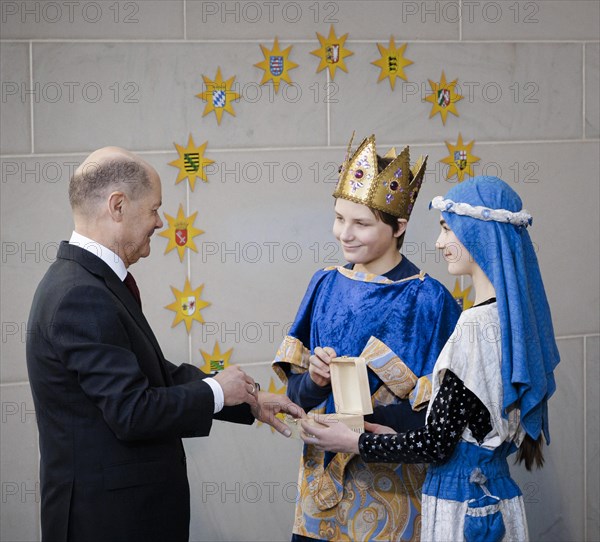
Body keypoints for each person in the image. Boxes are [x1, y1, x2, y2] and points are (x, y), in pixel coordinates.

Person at [26, 146, 302, 542]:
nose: (160, 222)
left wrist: (246, 398)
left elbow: (153, 375)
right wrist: (216, 393)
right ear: (117, 205)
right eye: (154, 208)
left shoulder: (87, 281)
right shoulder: (78, 294)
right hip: (108, 523)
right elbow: (132, 410)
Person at [302, 176, 560, 542]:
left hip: (463, 505)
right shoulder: (511, 320)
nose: (439, 243)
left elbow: (437, 444)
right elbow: (467, 425)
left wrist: (354, 442)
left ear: (478, 236)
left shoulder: (471, 323)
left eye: (446, 229)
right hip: (496, 492)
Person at [272, 134, 462, 541]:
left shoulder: (429, 300)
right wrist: (315, 382)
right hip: (321, 489)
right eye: (340, 218)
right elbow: (296, 396)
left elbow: (441, 421)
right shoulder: (324, 285)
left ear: (399, 227)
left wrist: (360, 429)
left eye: (361, 223)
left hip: (390, 490)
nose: (344, 233)